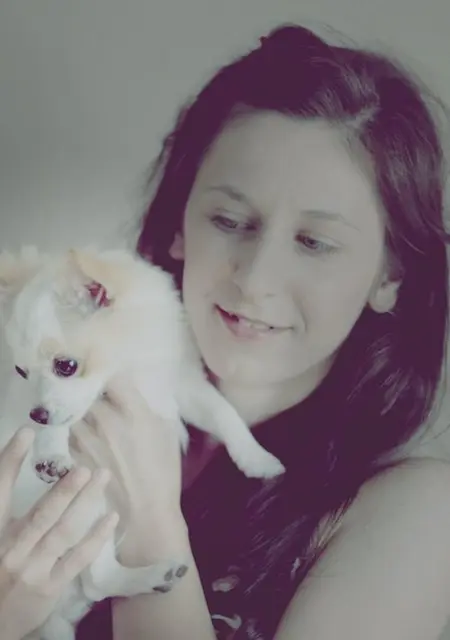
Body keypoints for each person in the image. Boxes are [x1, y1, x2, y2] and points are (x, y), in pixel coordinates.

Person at [2, 21, 450, 640]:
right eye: (231, 220)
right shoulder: (56, 404)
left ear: (390, 275)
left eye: (314, 242)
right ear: (180, 224)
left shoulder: (414, 512)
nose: (256, 279)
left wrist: (150, 522)